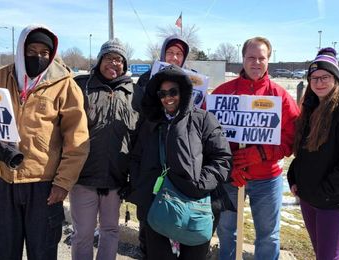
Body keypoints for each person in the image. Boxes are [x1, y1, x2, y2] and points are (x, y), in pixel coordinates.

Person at [0, 24, 89, 259]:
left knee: (43, 252)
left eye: (44, 53)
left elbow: (77, 140)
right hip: (2, 179)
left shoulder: (65, 85)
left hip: (43, 186)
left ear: (52, 54)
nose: (38, 57)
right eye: (32, 51)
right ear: (21, 50)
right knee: (4, 251)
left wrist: (62, 183)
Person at [128, 65, 232, 259]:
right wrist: (139, 185)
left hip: (195, 205)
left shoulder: (204, 120)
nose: (168, 97)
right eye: (162, 93)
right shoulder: (150, 123)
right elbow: (136, 157)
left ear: (184, 92)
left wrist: (201, 184)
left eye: (173, 91)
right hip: (155, 206)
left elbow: (221, 158)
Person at [212, 37, 300, 260]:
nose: (256, 63)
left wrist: (262, 153)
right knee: (225, 231)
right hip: (231, 178)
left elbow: (292, 137)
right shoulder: (223, 92)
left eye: (262, 58)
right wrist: (229, 164)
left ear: (268, 61)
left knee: (268, 236)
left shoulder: (279, 96)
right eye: (251, 57)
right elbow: (208, 136)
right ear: (242, 59)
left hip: (267, 179)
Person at [287, 47, 339, 260]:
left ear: (336, 79)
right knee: (320, 253)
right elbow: (304, 152)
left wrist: (326, 191)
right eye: (314, 78)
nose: (319, 82)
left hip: (333, 202)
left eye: (325, 77)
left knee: (328, 257)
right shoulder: (311, 108)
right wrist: (294, 177)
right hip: (309, 198)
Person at [69, 38, 141, 260]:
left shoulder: (134, 93)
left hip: (115, 178)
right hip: (83, 176)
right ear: (100, 60)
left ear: (125, 65)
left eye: (119, 60)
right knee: (83, 233)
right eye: (109, 58)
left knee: (110, 231)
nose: (114, 63)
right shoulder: (82, 86)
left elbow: (138, 136)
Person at [134, 34, 189, 258]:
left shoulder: (190, 81)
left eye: (179, 54)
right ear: (163, 54)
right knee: (148, 212)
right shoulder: (147, 78)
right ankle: (145, 249)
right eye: (170, 53)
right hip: (150, 149)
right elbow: (137, 109)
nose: (174, 58)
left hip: (177, 152)